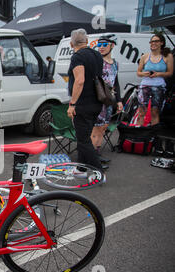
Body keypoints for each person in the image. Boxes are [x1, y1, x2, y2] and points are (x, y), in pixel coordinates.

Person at [67, 28, 105, 171]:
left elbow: (80, 81)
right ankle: (81, 168)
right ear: (87, 41)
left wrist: (72, 104)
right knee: (84, 137)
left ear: (72, 44)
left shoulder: (77, 56)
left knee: (83, 140)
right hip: (96, 102)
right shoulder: (97, 55)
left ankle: (98, 171)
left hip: (83, 104)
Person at [90, 34, 123, 165]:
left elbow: (116, 82)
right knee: (96, 129)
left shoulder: (115, 64)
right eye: (99, 45)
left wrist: (119, 101)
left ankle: (96, 153)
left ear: (112, 45)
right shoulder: (97, 61)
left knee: (103, 128)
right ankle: (92, 157)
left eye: (104, 45)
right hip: (98, 100)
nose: (101, 47)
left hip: (109, 101)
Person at [137, 33, 174, 127]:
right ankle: (138, 135)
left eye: (156, 41)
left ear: (161, 43)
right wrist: (145, 73)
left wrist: (158, 74)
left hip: (159, 86)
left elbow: (170, 73)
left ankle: (153, 136)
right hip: (145, 85)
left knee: (155, 112)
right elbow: (138, 73)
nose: (153, 43)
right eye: (151, 41)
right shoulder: (145, 56)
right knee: (141, 112)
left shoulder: (168, 56)